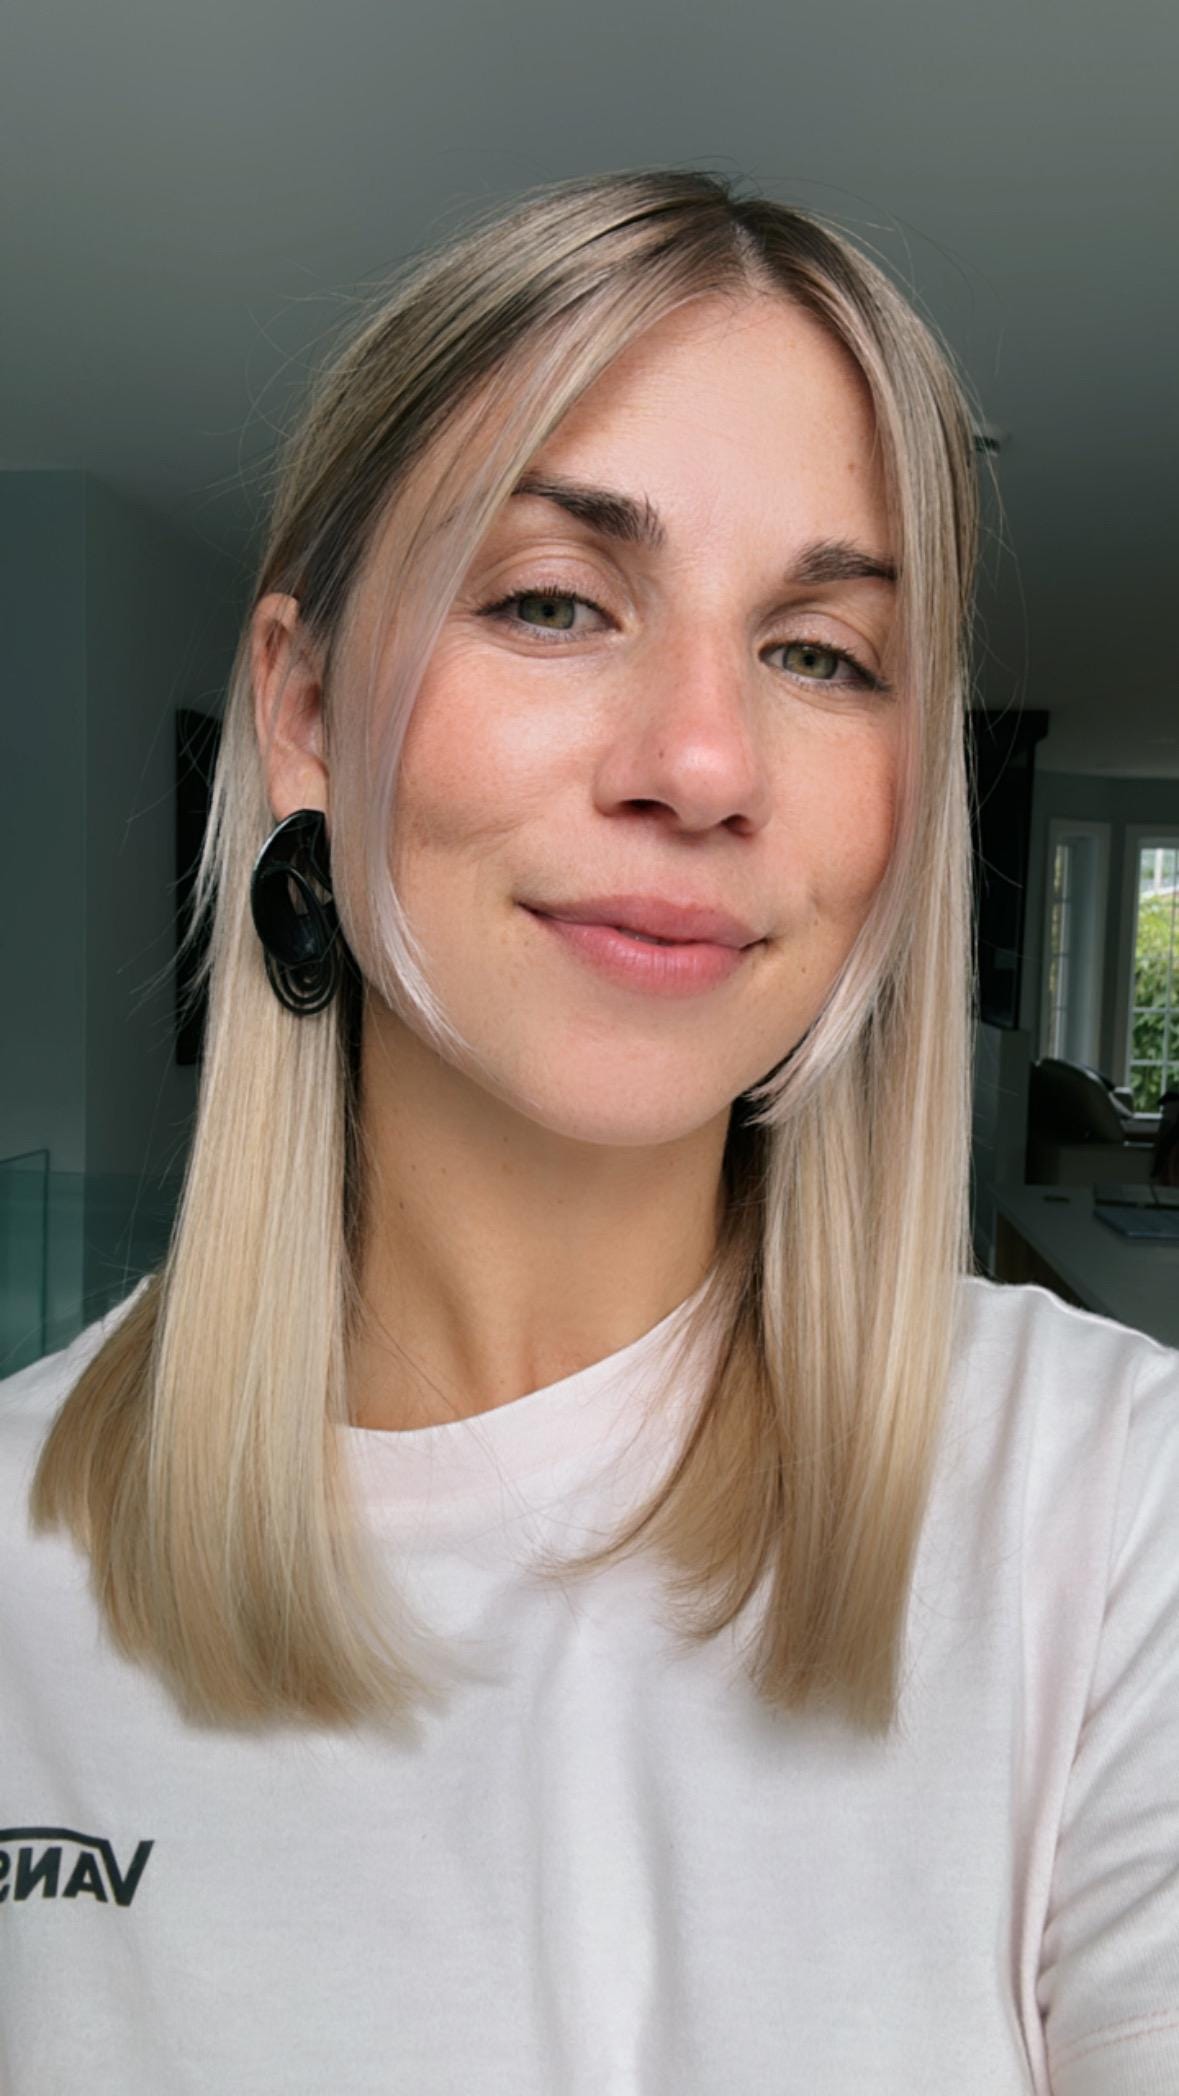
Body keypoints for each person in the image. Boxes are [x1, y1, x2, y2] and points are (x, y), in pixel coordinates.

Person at [2, 166, 1177, 2094]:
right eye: (555, 601)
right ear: (302, 709)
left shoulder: (1118, 1523)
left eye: (821, 653)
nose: (705, 762)